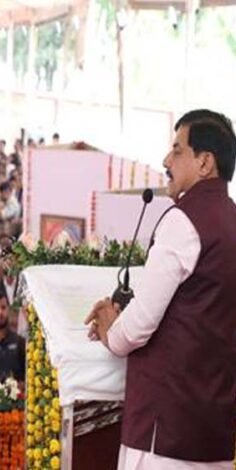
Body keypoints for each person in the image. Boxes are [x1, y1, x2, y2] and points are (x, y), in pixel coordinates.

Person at [86, 109, 236, 470]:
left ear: (205, 162)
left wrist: (110, 327)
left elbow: (137, 327)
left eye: (177, 150)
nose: (167, 160)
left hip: (165, 430)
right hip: (212, 430)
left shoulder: (183, 221)